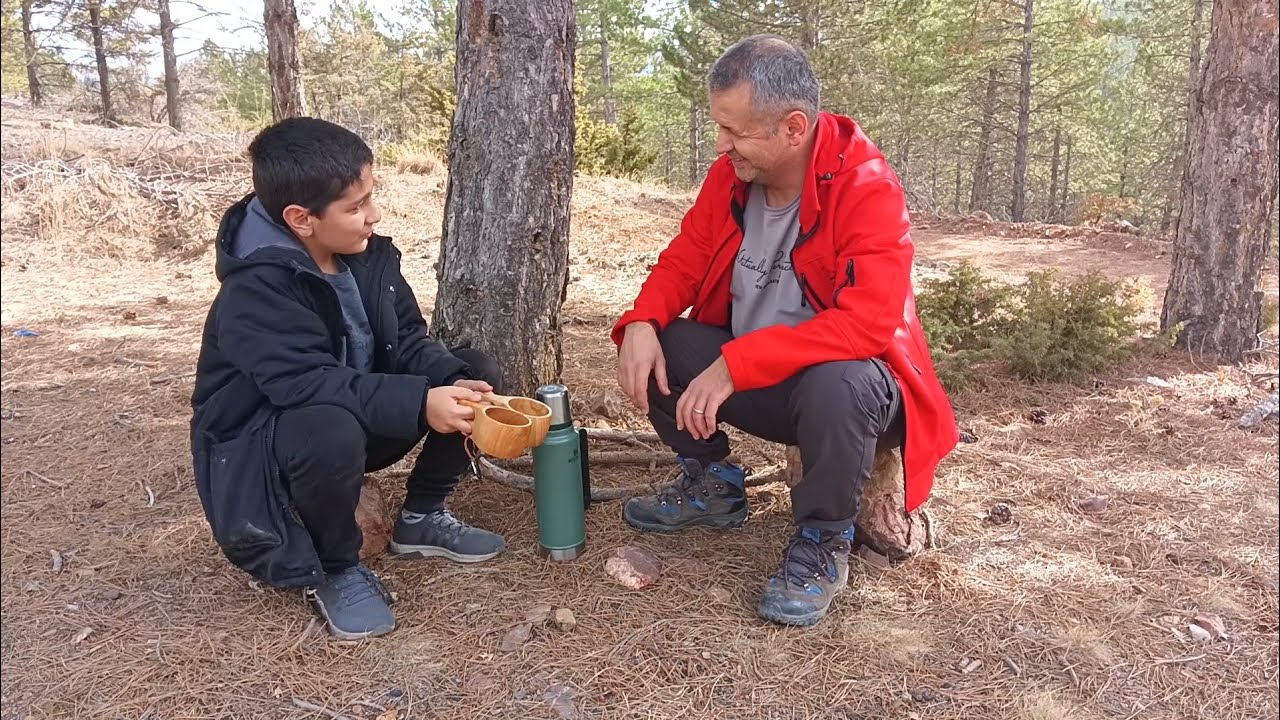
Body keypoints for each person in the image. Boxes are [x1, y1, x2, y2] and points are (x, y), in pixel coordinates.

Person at [612, 35, 959, 627]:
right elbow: (684, 261)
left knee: (839, 383)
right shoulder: (732, 177)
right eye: (720, 127)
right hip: (766, 381)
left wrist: (737, 363)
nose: (722, 146)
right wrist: (642, 321)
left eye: (736, 132)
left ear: (793, 128)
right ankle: (712, 483)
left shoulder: (865, 184)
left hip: (858, 392)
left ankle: (825, 540)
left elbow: (869, 325)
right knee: (662, 343)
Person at [189, 117, 506, 640]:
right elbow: (306, 385)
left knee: (473, 373)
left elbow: (405, 338)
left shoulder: (365, 254)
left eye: (371, 197)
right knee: (327, 425)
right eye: (355, 206)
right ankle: (335, 567)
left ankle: (422, 515)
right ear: (301, 218)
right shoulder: (255, 291)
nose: (373, 216)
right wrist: (421, 403)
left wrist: (447, 379)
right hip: (275, 452)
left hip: (355, 419)